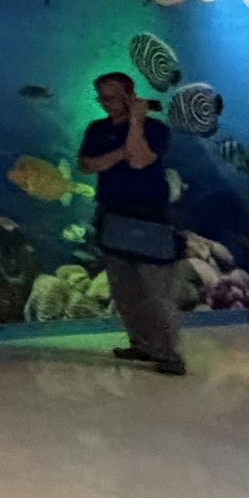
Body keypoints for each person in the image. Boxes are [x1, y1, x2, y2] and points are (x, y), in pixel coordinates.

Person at [79, 71, 184, 374]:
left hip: (150, 217)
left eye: (113, 97)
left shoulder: (156, 128)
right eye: (102, 98)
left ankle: (169, 354)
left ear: (130, 95)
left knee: (155, 289)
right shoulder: (96, 128)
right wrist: (120, 153)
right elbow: (86, 164)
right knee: (124, 290)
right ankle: (141, 344)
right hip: (111, 214)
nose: (106, 104)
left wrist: (136, 121)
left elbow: (139, 159)